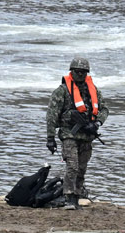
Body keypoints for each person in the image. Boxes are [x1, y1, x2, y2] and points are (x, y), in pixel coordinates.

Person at [45, 57, 106, 210]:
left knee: (81, 169)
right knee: (72, 166)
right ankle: (68, 197)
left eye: (83, 72)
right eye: (77, 71)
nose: (80, 74)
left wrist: (97, 123)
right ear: (71, 71)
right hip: (69, 135)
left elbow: (104, 109)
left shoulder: (93, 90)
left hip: (87, 136)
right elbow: (52, 114)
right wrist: (50, 137)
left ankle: (76, 197)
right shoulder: (62, 91)